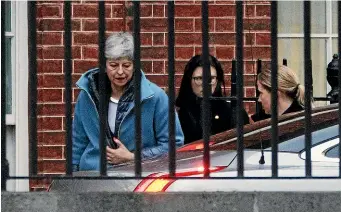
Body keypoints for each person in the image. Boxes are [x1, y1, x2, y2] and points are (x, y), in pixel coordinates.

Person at [72, 32, 184, 171]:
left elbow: (174, 145)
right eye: (113, 65)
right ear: (104, 65)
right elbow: (78, 142)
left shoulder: (156, 97)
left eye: (126, 65)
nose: (120, 72)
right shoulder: (88, 95)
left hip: (137, 177)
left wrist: (133, 157)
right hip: (92, 174)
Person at [175, 55, 249, 144]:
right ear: (189, 80)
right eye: (199, 78)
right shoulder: (178, 113)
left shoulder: (232, 110)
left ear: (217, 80)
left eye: (211, 78)